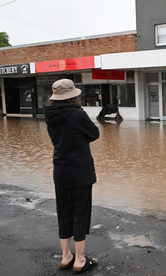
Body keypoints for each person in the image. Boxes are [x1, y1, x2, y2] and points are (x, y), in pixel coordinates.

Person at [44, 79, 100, 273]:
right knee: (80, 214)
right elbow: (95, 133)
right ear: (73, 96)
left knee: (64, 214)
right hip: (80, 173)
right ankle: (80, 260)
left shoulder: (49, 115)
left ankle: (66, 256)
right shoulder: (77, 114)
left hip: (60, 171)